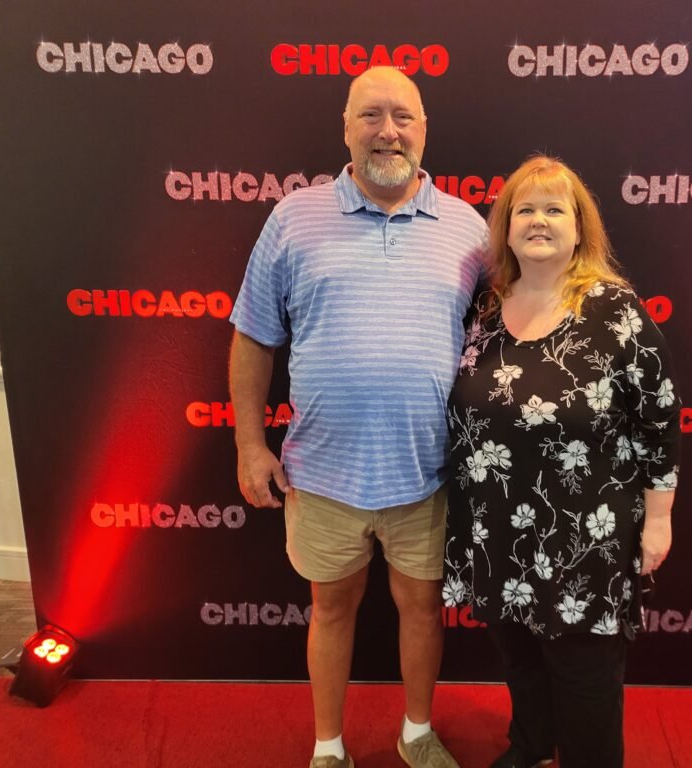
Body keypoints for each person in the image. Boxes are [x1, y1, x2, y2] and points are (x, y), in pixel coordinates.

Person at [229, 66, 487, 768]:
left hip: (428, 475)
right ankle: (328, 747)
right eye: (370, 115)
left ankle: (416, 734)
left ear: (424, 129)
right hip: (322, 474)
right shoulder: (293, 218)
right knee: (331, 609)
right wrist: (250, 446)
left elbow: (508, 337)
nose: (388, 131)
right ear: (345, 128)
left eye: (403, 116)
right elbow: (253, 336)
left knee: (423, 611)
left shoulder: (469, 229)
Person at [443, 155, 681, 768]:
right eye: (525, 209)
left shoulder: (614, 311)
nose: (539, 221)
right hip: (498, 529)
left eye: (555, 209)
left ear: (580, 229)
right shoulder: (483, 310)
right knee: (519, 655)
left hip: (585, 537)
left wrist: (659, 519)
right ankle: (530, 746)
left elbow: (659, 419)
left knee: (584, 674)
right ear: (505, 228)